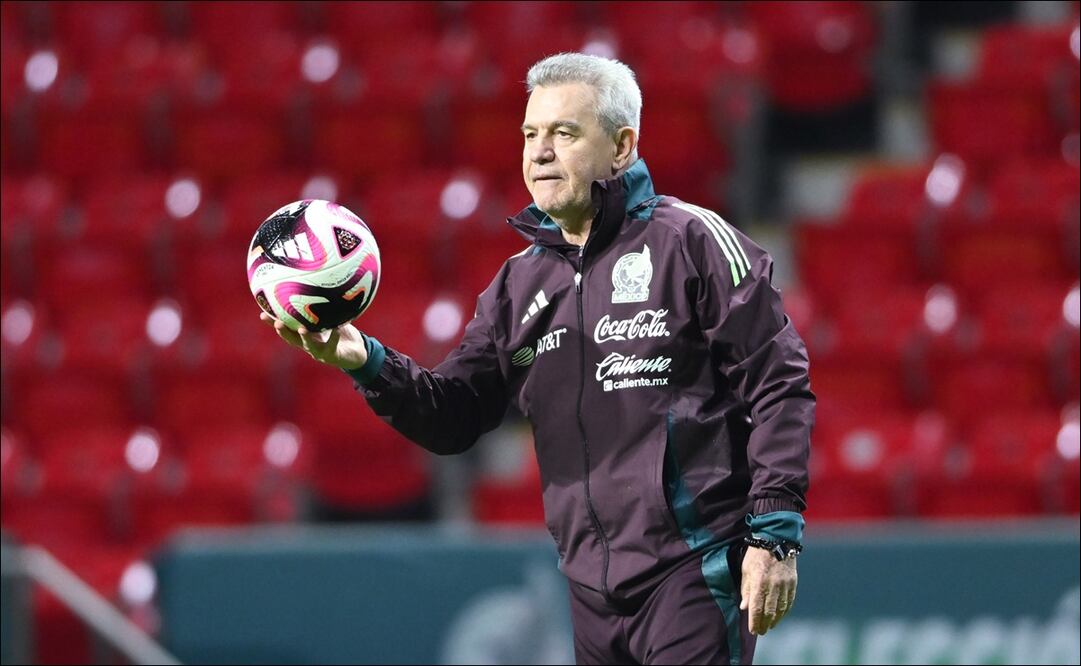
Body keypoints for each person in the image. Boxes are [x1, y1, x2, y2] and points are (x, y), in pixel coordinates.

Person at [260, 52, 814, 665]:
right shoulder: (516, 286)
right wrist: (360, 357)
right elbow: (455, 416)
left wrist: (774, 534)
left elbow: (779, 385)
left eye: (564, 134)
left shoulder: (696, 243)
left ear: (622, 146)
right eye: (530, 134)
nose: (539, 152)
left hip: (693, 569)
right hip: (590, 593)